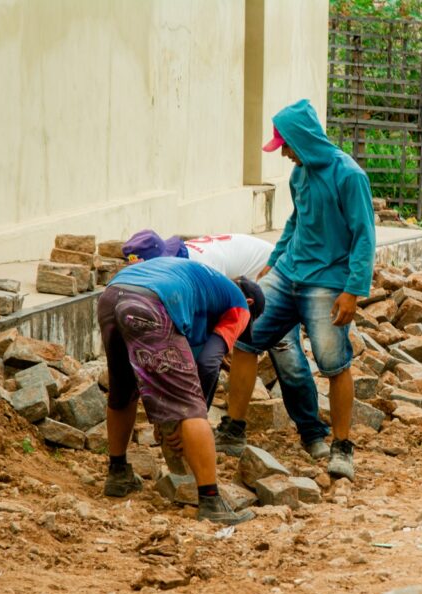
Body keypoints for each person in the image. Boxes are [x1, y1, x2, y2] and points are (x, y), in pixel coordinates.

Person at [217, 99, 376, 482]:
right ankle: (234, 430)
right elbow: (296, 220)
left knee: (334, 363)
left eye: (286, 145)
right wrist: (275, 258)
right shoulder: (299, 176)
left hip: (327, 282)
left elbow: (364, 237)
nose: (285, 154)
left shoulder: (349, 176)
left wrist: (353, 290)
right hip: (288, 274)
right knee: (246, 336)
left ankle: (341, 447)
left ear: (301, 140)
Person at [122, 230, 330, 459]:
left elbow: (205, 357)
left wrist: (189, 417)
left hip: (271, 275)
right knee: (243, 346)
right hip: (245, 284)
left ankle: (312, 433)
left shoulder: (201, 269)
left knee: (285, 351)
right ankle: (234, 429)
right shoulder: (176, 267)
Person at [97, 256, 264, 526]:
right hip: (152, 302)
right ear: (251, 306)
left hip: (112, 294)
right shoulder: (239, 305)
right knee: (190, 405)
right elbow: (209, 364)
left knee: (123, 389)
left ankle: (118, 474)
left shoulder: (207, 285)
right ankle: (211, 501)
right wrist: (186, 419)